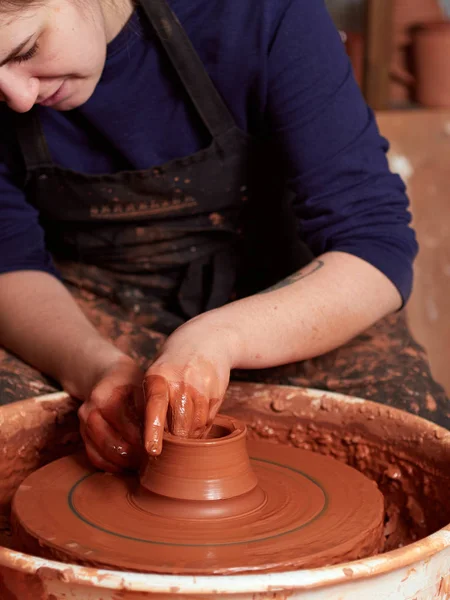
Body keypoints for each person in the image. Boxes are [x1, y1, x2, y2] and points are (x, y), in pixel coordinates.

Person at [0, 0, 447, 472]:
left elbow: (375, 246)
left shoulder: (257, 12)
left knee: (414, 445)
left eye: (26, 49)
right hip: (84, 307)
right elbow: (9, 263)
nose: (17, 98)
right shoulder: (14, 87)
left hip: (283, 301)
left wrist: (221, 337)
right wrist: (96, 370)